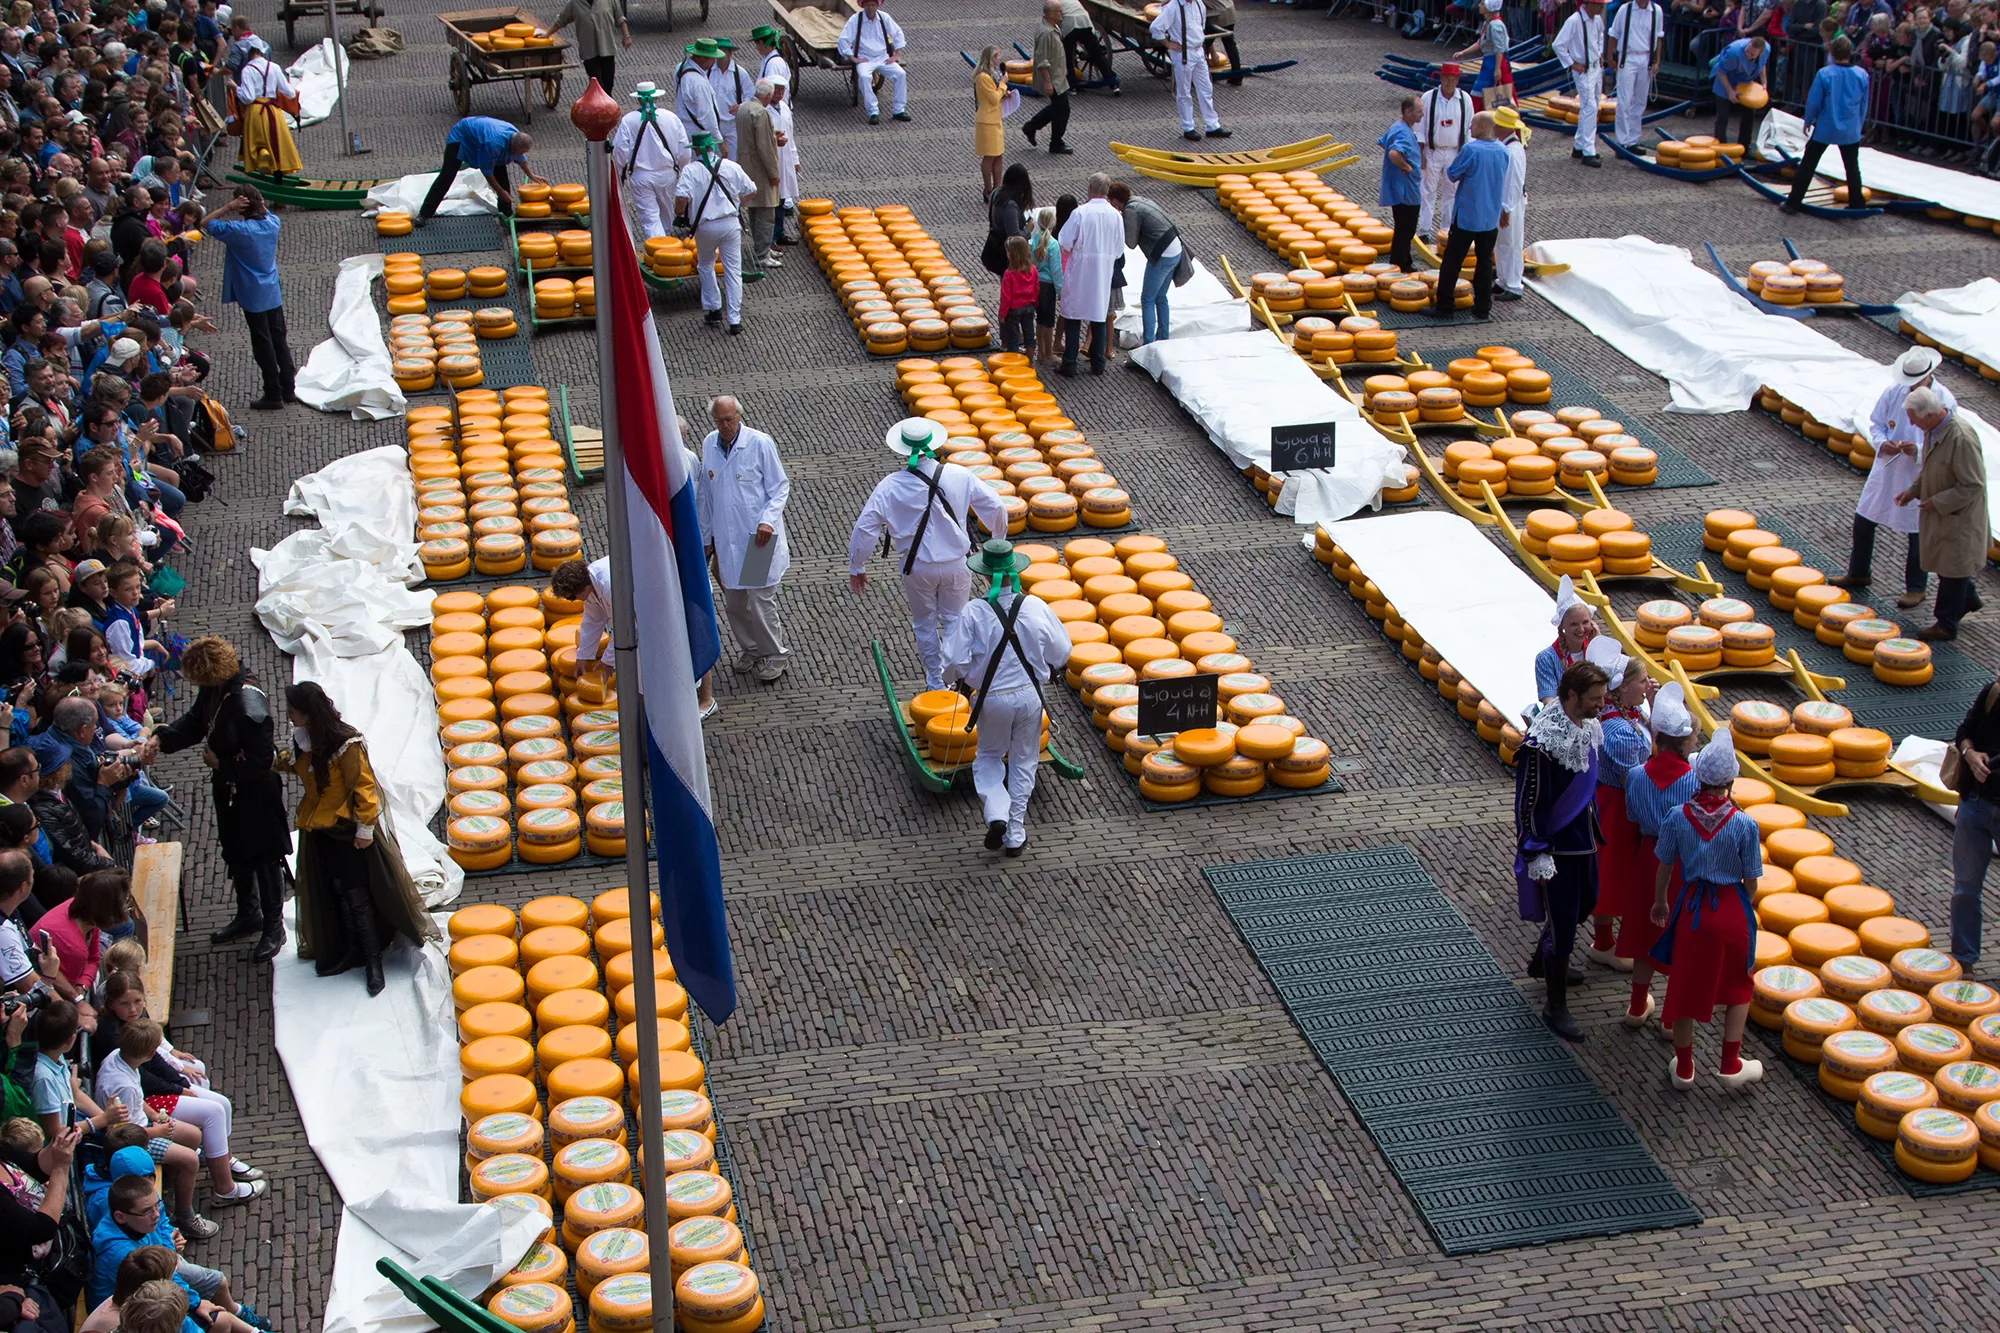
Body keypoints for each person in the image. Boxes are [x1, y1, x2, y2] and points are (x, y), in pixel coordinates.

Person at [282, 682, 437, 995]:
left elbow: (364, 788)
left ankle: (372, 959)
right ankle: (350, 951)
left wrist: (365, 830)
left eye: (293, 710)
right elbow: (303, 771)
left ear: (308, 714)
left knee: (357, 896)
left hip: (347, 832)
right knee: (336, 891)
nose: (289, 715)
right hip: (319, 830)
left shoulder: (346, 743)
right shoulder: (304, 740)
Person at [849, 418, 1010, 692]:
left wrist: (858, 566)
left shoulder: (889, 486)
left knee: (924, 624)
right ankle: (955, 680)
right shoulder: (959, 475)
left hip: (917, 567)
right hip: (957, 565)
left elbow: (866, 527)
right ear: (934, 445)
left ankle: (935, 682)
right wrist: (997, 543)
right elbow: (996, 507)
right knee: (954, 622)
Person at [152, 638, 287, 961]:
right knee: (236, 851)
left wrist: (221, 764)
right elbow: (197, 721)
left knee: (266, 858)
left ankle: (274, 925)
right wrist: (162, 738)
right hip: (229, 787)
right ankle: (248, 913)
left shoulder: (248, 706)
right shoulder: (217, 689)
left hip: (255, 789)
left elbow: (262, 759)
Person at [1648, 727, 1764, 1090]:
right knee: (1738, 986)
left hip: (1693, 910)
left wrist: (1660, 901)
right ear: (1730, 780)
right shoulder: (1745, 824)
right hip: (1731, 909)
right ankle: (1730, 1063)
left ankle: (1684, 1068)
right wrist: (1744, 902)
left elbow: (1664, 864)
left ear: (1698, 775)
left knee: (1683, 987)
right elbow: (1752, 880)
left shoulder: (1677, 816)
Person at [943, 540, 1070, 856]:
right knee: (1024, 761)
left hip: (992, 699)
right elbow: (1062, 651)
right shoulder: (1036, 605)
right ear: (1015, 571)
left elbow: (954, 660)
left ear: (985, 575)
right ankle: (1015, 833)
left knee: (987, 756)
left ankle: (997, 812)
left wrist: (954, 680)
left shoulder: (974, 611)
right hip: (1030, 696)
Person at [1514, 660, 1609, 1040]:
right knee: (1564, 925)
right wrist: (1537, 850)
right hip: (1557, 850)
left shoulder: (1588, 727)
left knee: (1587, 902)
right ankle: (1556, 1006)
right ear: (1572, 696)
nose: (1601, 705)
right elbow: (1529, 801)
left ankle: (1547, 960)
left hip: (1584, 841)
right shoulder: (1541, 745)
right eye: (1594, 699)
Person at [1832, 347, 1952, 608]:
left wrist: (1918, 450)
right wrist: (1882, 442)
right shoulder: (1893, 392)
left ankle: (1916, 587)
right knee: (1864, 518)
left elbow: (1946, 443)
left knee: (1916, 531)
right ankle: (1859, 571)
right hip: (1888, 468)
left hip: (1918, 473)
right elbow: (1876, 422)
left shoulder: (1944, 400)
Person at [697, 396, 791, 683]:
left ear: (739, 416)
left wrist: (767, 521)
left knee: (761, 602)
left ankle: (775, 655)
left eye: (729, 419)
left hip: (757, 540)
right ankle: (751, 648)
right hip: (727, 540)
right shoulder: (709, 445)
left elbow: (779, 487)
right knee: (735, 603)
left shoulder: (760, 443)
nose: (725, 426)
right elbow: (707, 496)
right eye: (719, 420)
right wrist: (706, 536)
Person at [1621, 681, 1697, 1024]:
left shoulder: (1636, 775)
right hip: (1682, 862)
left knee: (1642, 934)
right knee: (1680, 940)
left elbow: (1633, 817)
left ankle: (1637, 1006)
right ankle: (1670, 1019)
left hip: (1647, 856)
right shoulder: (1695, 780)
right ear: (1682, 742)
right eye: (1694, 736)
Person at [1582, 637, 1653, 973]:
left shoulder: (1627, 714)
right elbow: (1633, 779)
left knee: (1615, 871)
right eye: (1642, 681)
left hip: (1619, 803)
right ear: (1623, 687)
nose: (1646, 684)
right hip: (1619, 807)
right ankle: (1605, 943)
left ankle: (1606, 940)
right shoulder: (1617, 730)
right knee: (1612, 872)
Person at [1898, 386, 1989, 641]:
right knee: (1948, 564)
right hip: (1944, 515)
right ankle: (1968, 599)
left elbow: (1973, 485)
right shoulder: (1933, 431)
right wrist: (1913, 491)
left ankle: (1946, 624)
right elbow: (1931, 468)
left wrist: (1936, 502)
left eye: (1913, 417)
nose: (1910, 423)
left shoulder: (1961, 438)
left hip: (1959, 517)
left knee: (1953, 568)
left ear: (1927, 415)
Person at [1431, 111, 1508, 320]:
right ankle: (1483, 307)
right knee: (1484, 263)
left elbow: (1452, 173)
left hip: (1467, 216)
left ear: (1482, 127)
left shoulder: (1471, 149)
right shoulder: (1503, 150)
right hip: (1489, 218)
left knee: (1452, 262)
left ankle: (1444, 306)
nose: (1470, 129)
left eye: (1473, 125)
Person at [675, 134, 754, 335]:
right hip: (730, 223)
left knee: (705, 264)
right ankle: (734, 319)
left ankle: (713, 307)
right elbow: (752, 190)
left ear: (695, 150)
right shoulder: (731, 166)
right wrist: (738, 205)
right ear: (713, 148)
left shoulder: (691, 170)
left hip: (706, 226)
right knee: (733, 270)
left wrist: (679, 212)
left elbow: (681, 197)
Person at [1948, 669, 2000, 967]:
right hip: (1975, 804)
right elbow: (1964, 731)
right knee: (1965, 889)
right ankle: (1964, 959)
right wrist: (1969, 754)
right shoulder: (1992, 693)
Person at [1785, 34, 1869, 210]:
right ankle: (1857, 202)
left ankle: (1793, 202)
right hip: (1850, 128)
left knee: (1808, 164)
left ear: (1832, 52)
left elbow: (1814, 101)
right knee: (1852, 167)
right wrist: (1859, 125)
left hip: (1826, 126)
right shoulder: (1862, 74)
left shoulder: (1825, 74)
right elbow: (1863, 103)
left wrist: (1808, 120)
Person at [415, 117, 547, 224]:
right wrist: (500, 192)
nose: (520, 155)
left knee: (503, 182)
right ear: (512, 146)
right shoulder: (493, 145)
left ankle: (506, 215)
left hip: (484, 138)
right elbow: (487, 172)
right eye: (519, 152)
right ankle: (424, 214)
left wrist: (530, 174)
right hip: (461, 137)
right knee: (447, 176)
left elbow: (520, 157)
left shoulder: (516, 136)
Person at [1056, 174, 1123, 376]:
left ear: (1090, 188)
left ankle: (1069, 362)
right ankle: (1098, 363)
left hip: (1080, 270)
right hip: (1103, 271)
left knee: (1073, 315)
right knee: (1098, 316)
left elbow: (1065, 241)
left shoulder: (1080, 213)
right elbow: (1119, 249)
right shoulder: (1116, 216)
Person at [613, 82, 692, 243]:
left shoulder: (629, 120)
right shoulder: (671, 118)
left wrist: (619, 171)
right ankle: (666, 242)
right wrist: (683, 169)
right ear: (656, 97)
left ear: (638, 100)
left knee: (650, 216)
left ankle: (660, 248)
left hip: (641, 176)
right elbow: (684, 149)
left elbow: (620, 151)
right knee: (665, 211)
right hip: (667, 173)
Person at [1106, 181, 1182, 346]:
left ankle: (1148, 344)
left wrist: (1119, 222)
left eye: (1111, 203)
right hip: (1175, 248)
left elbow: (1131, 242)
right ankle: (1163, 338)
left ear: (1117, 201)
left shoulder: (1130, 211)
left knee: (1147, 299)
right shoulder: (1139, 200)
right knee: (1161, 296)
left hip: (1162, 254)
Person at [1150, 0, 1228, 141]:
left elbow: (1201, 25)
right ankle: (1188, 127)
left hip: (1198, 52)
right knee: (1184, 92)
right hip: (1183, 54)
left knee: (1206, 89)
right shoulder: (1173, 6)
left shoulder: (1199, 3)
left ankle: (1212, 125)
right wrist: (1168, 44)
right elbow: (1156, 28)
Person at [1417, 64, 1473, 236]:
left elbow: (1469, 129)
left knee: (1453, 192)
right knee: (1428, 191)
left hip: (1456, 152)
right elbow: (1420, 128)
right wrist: (1421, 155)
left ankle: (1447, 230)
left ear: (1457, 80)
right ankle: (1424, 229)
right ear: (1440, 79)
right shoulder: (1428, 98)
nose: (1450, 82)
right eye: (1446, 78)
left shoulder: (1465, 99)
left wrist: (1466, 156)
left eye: (1453, 79)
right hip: (1433, 151)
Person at [734, 80, 783, 277]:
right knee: (765, 212)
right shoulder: (761, 113)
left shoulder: (744, 108)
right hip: (760, 169)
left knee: (754, 210)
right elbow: (764, 147)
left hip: (746, 165)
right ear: (768, 96)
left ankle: (761, 248)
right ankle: (762, 253)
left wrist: (772, 134)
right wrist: (774, 174)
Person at [232, 42, 298, 178]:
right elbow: (290, 93)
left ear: (249, 53)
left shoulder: (247, 70)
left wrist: (235, 88)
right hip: (273, 112)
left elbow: (248, 97)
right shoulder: (274, 67)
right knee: (277, 146)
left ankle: (262, 154)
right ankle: (278, 183)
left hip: (255, 112)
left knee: (256, 143)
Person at [838, 0, 910, 124]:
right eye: (868, 5)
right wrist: (854, 58)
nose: (870, 8)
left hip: (883, 57)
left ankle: (899, 110)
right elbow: (843, 40)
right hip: (865, 59)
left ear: (877, 5)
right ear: (863, 6)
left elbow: (898, 33)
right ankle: (873, 111)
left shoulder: (884, 17)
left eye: (873, 5)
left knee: (901, 74)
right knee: (865, 77)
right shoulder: (855, 20)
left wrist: (896, 54)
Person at [1554, 0, 1607, 165]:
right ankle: (1588, 150)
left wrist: (1600, 54)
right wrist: (1572, 63)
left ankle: (1579, 145)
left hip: (1595, 67)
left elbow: (1600, 37)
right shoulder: (1574, 21)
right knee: (1590, 107)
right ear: (1588, 4)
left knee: (1592, 105)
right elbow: (1558, 45)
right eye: (1599, 4)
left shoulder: (1597, 20)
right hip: (1583, 70)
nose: (1602, 7)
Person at [1606, 0, 1664, 145]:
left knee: (1640, 101)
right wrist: (1609, 58)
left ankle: (1632, 140)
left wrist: (1656, 61)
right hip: (1628, 56)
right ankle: (1622, 141)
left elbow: (1658, 38)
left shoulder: (1657, 11)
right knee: (1624, 101)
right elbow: (1613, 34)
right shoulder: (1624, 10)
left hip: (1646, 57)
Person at [1023, 2, 1074, 155]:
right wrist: (1047, 82)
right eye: (1059, 11)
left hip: (1057, 76)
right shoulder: (1046, 33)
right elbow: (1042, 60)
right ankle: (1055, 143)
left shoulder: (1052, 27)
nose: (1062, 13)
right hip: (1053, 79)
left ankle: (1031, 127)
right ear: (1051, 14)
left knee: (1058, 109)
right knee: (1062, 109)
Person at [1379, 95, 1424, 272]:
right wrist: (1406, 165)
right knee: (1406, 229)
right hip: (1406, 190)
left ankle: (1405, 260)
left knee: (1402, 228)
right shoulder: (1404, 133)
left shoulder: (1397, 127)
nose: (1422, 115)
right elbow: (1393, 153)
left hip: (1399, 188)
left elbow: (1383, 141)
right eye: (1419, 111)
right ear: (1408, 112)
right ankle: (1400, 264)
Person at [1536, 574, 1598, 700]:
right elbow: (1549, 701)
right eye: (1574, 624)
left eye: (1585, 622)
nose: (1581, 629)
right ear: (1562, 624)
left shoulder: (1596, 652)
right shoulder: (1546, 659)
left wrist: (1598, 643)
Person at [549, 0, 629, 94]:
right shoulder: (575, 3)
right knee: (598, 86)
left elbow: (620, 18)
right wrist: (547, 34)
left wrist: (626, 36)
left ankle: (607, 105)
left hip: (607, 49)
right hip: (589, 52)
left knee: (608, 85)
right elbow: (561, 21)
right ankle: (603, 106)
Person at [1493, 104, 1529, 301]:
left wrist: (1506, 208)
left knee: (1512, 242)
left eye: (1497, 126)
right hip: (1505, 202)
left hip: (1511, 204)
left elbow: (1513, 184)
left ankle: (1514, 284)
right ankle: (1503, 279)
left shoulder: (1513, 152)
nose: (1494, 129)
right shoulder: (1508, 147)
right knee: (1501, 243)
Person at [1711, 33, 1770, 147]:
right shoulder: (1734, 52)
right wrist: (1730, 91)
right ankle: (1720, 147)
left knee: (1749, 114)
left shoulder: (1766, 49)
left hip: (1745, 81)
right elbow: (1720, 71)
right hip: (1726, 79)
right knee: (1722, 116)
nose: (1748, 54)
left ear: (1760, 53)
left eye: (1752, 54)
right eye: (1748, 51)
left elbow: (1763, 64)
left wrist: (1764, 82)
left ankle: (1744, 146)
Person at [1455, 0, 1516, 108]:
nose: (1479, 5)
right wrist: (1463, 52)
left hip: (1495, 62)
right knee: (1483, 92)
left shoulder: (1495, 25)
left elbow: (1499, 49)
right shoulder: (1488, 23)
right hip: (1489, 62)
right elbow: (1480, 43)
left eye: (1482, 3)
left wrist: (1497, 69)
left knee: (1482, 92)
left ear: (1489, 8)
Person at [674, 40, 725, 150]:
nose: (714, 61)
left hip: (683, 131)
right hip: (699, 138)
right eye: (712, 58)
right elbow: (707, 117)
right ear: (703, 57)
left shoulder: (680, 67)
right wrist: (720, 141)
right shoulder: (698, 83)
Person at [708, 38, 753, 159]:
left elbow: (751, 96)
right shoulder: (708, 72)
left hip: (733, 125)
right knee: (714, 159)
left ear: (730, 53)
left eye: (724, 51)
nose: (721, 56)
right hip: (714, 123)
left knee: (733, 160)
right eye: (718, 52)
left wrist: (741, 106)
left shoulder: (740, 73)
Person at [973, 47, 1008, 200]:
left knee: (998, 155)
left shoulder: (991, 76)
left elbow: (996, 95)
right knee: (989, 156)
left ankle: (997, 188)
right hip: (987, 122)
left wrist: (1003, 92)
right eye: (997, 56)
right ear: (991, 58)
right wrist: (1003, 84)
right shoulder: (983, 77)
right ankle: (988, 189)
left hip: (994, 119)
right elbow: (993, 97)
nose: (999, 59)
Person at [1031, 205, 1063, 367]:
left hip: (1036, 284)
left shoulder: (1033, 240)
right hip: (1048, 286)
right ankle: (1048, 353)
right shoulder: (1053, 244)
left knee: (1040, 319)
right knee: (1048, 321)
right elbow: (1056, 270)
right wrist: (1060, 290)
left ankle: (1041, 353)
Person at [998, 236, 1038, 354]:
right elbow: (1036, 288)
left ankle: (1015, 366)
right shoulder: (1033, 269)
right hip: (1028, 307)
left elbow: (1006, 296)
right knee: (1029, 336)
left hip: (1013, 309)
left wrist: (1002, 313)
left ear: (1011, 254)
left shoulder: (1009, 273)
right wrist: (1034, 304)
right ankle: (1030, 362)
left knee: (1013, 339)